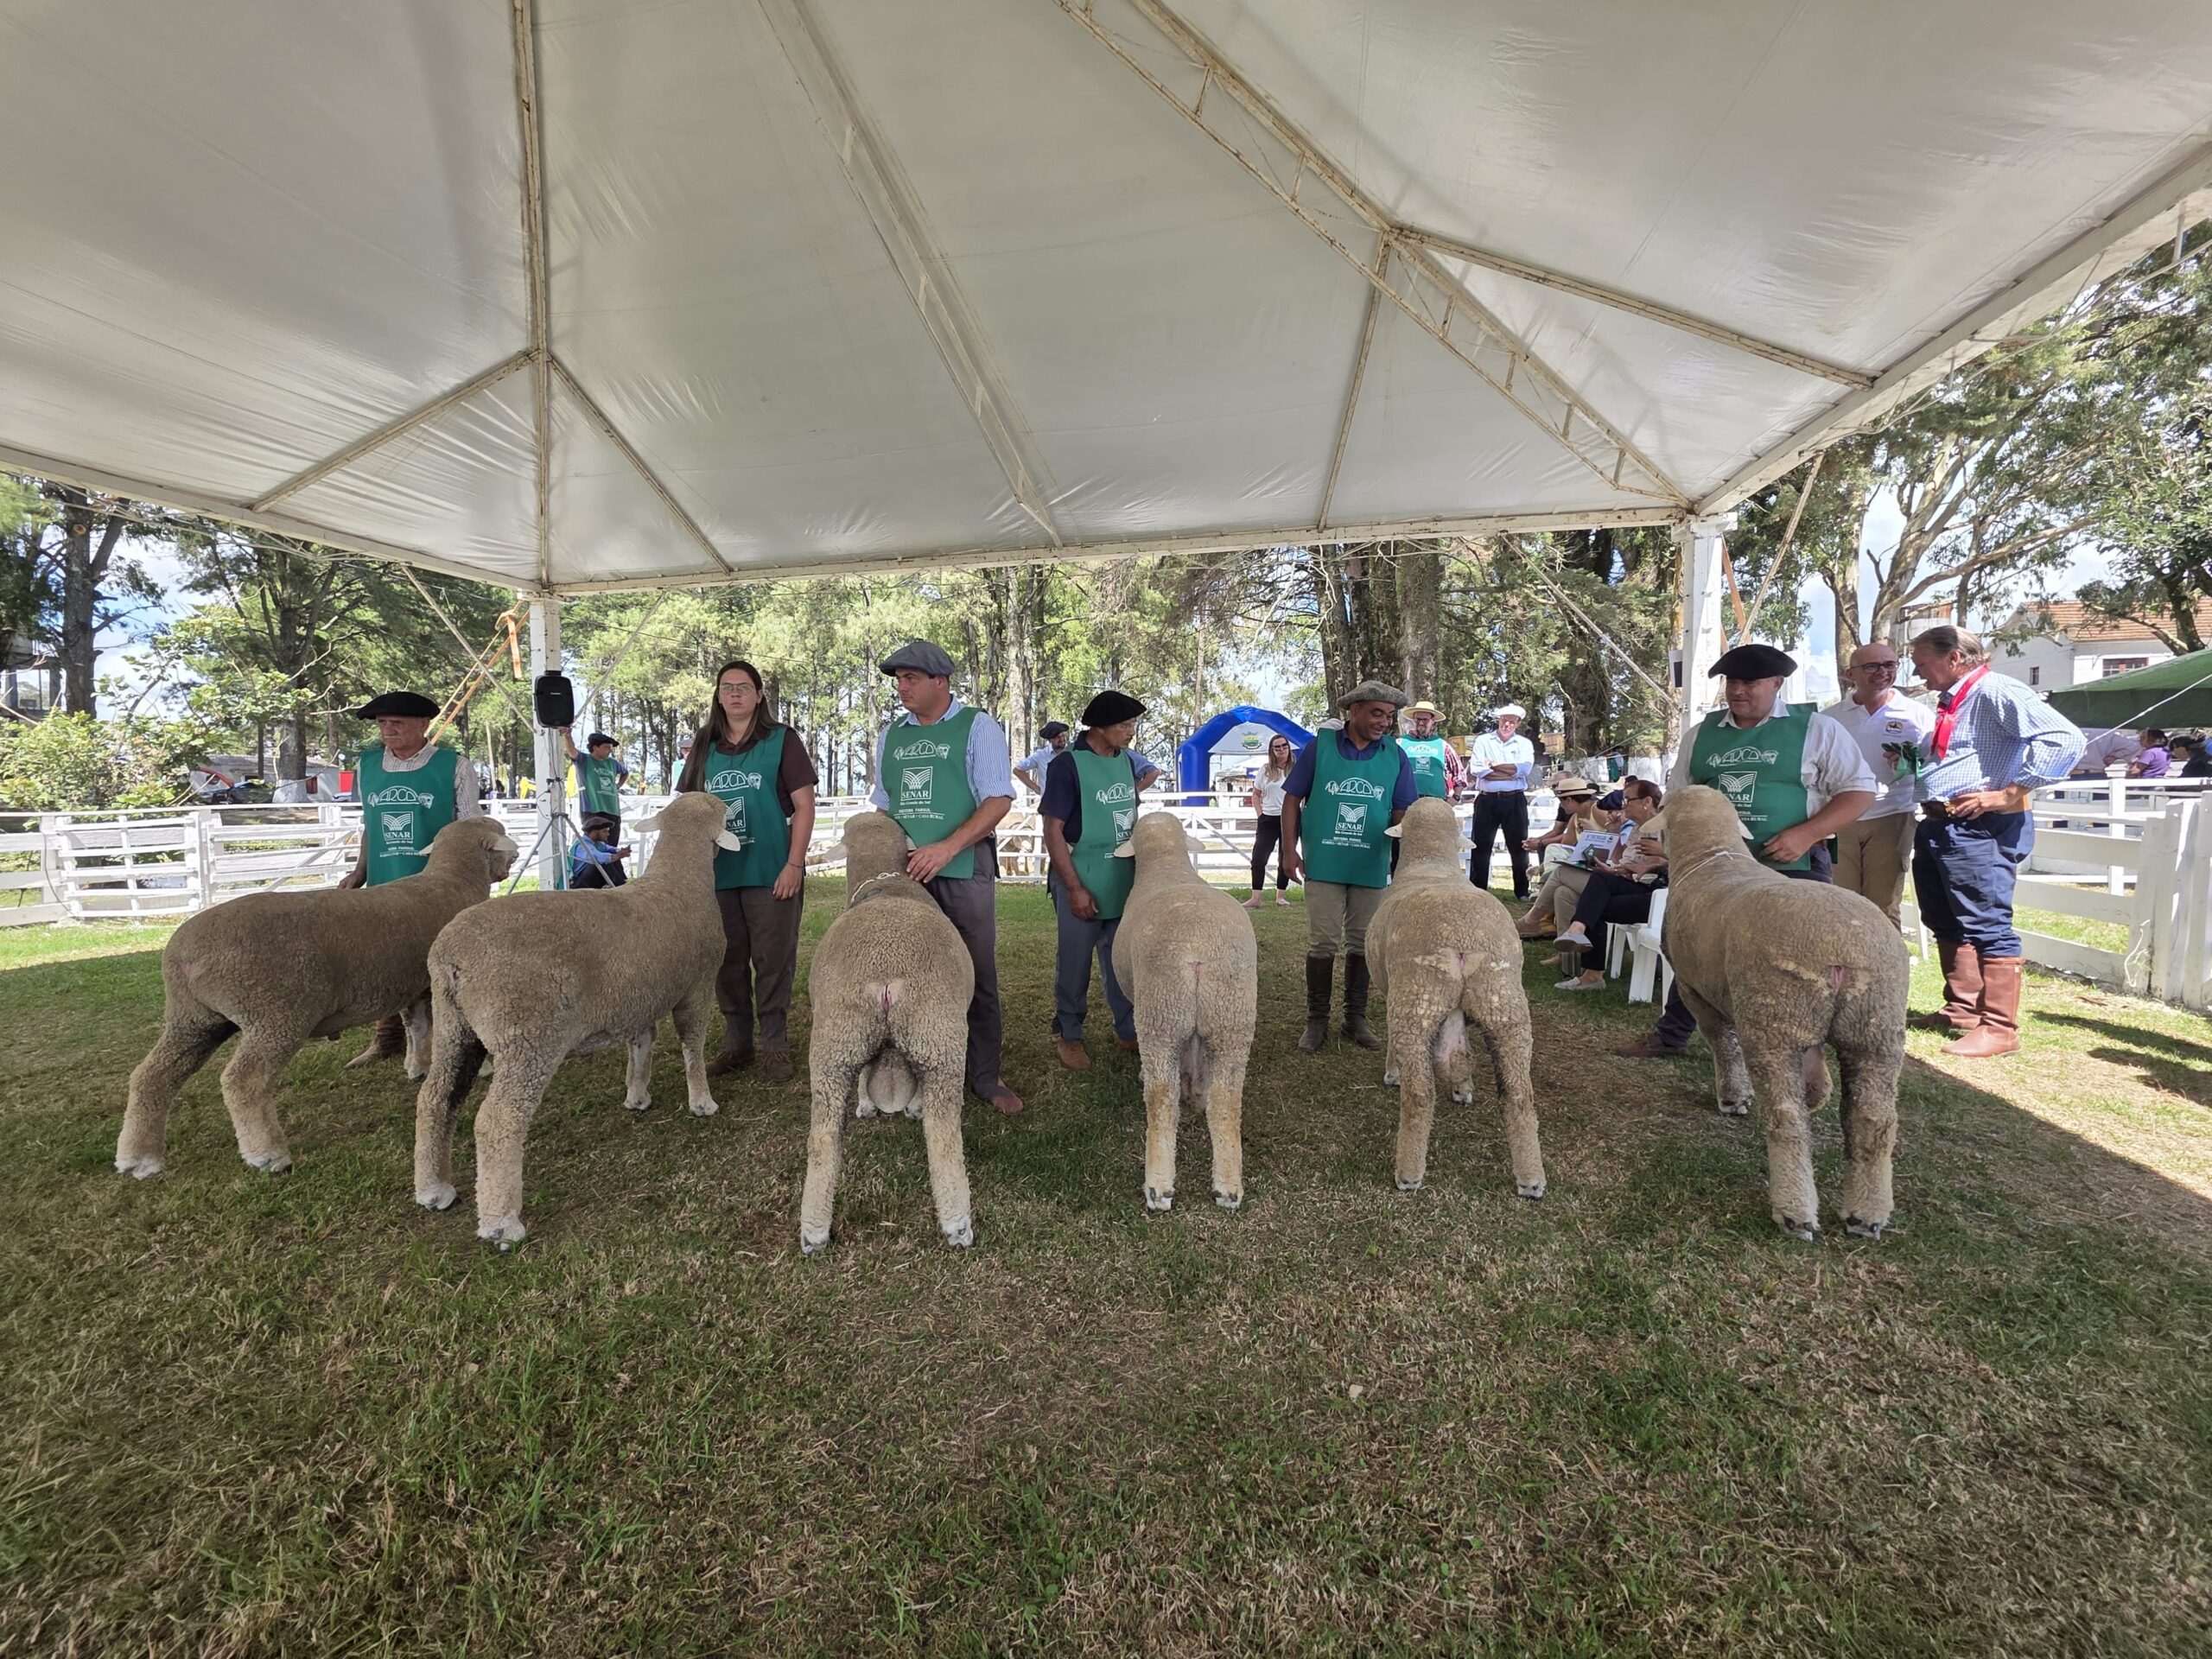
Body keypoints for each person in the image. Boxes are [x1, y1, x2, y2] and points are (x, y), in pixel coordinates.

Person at [1615, 643, 1876, 1060]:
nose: (1737, 690)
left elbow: (1859, 791)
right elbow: (1678, 799)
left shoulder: (1817, 728)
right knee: (1696, 948)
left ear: (1776, 683)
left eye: (1750, 683)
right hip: (1714, 869)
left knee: (1798, 953)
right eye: (1732, 681)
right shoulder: (1701, 735)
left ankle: (1802, 1048)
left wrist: (1806, 834)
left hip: (1792, 862)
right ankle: (1672, 1035)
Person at [1908, 624, 2085, 1058]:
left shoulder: (1997, 691)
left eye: (1922, 663)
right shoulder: (1956, 701)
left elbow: (2065, 738)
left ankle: (2001, 1029)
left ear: (1953, 658)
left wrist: (2008, 793)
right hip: (1941, 823)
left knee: (1987, 923)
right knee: (1944, 917)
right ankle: (1963, 1010)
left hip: (1979, 827)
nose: (1917, 672)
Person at [869, 639, 1023, 1114]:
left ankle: (984, 1074)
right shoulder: (891, 735)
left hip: (962, 868)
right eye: (898, 680)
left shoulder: (977, 726)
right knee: (904, 969)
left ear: (941, 681)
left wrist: (947, 847)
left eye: (911, 679)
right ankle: (914, 1067)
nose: (902, 688)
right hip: (903, 873)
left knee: (974, 971)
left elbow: (998, 799)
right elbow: (884, 806)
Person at [679, 659, 818, 1083]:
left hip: (771, 870)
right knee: (727, 959)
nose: (735, 693)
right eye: (727, 687)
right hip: (717, 875)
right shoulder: (705, 743)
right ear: (718, 696)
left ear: (759, 695)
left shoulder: (782, 740)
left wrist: (794, 864)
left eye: (744, 686)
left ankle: (775, 1044)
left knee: (773, 958)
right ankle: (737, 1043)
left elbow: (804, 806)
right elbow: (688, 808)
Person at [340, 690, 480, 1064]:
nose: (388, 730)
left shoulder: (454, 766)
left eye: (397, 723)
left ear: (423, 724)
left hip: (440, 884)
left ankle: (459, 1036)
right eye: (382, 723)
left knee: (449, 957)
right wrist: (359, 871)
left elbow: (470, 826)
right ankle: (387, 1036)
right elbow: (371, 824)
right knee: (386, 957)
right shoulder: (368, 766)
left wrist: (478, 870)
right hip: (386, 878)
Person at [1281, 680, 1417, 1052]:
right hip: (1324, 860)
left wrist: (1408, 850)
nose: (1384, 722)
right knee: (1323, 940)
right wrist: (1289, 852)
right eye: (1377, 713)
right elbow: (1292, 799)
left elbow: (1402, 810)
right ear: (1354, 711)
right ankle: (1317, 1021)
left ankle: (1355, 1019)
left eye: (1389, 716)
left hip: (1370, 862)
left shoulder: (1395, 755)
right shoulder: (1319, 747)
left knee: (1363, 941)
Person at [1039, 690, 1162, 1070]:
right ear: (1099, 727)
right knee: (1075, 961)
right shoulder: (1067, 765)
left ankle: (1128, 1028)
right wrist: (1074, 888)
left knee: (1122, 957)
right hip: (1079, 873)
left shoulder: (1126, 761)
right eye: (1124, 725)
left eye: (1133, 724)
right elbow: (1053, 831)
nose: (1131, 731)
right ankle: (1069, 1034)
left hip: (1121, 875)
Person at [1822, 641, 1938, 928]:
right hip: (1840, 817)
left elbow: (1934, 766)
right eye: (1871, 666)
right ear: (1850, 674)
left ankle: (1887, 958)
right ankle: (1843, 958)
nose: (1882, 672)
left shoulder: (1918, 714)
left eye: (1889, 665)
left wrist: (1910, 763)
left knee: (1884, 906)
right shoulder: (1829, 719)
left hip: (1893, 815)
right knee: (1841, 905)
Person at [1550, 781, 1668, 990]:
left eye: (1627, 800)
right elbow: (1622, 860)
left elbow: (1688, 861)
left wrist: (1658, 859)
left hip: (1660, 896)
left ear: (1647, 802)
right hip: (1637, 884)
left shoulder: (1667, 828)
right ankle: (1582, 951)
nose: (1623, 806)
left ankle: (1589, 967)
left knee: (1594, 903)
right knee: (1590, 890)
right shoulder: (1637, 829)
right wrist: (1615, 833)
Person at [1512, 775, 1605, 938]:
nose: (1561, 805)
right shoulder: (1575, 818)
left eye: (1561, 801)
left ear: (1569, 800)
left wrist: (1593, 832)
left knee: (1561, 872)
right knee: (1562, 891)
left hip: (1604, 872)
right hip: (1590, 869)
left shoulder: (1597, 810)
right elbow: (1565, 849)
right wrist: (1542, 866)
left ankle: (1532, 920)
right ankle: (1567, 945)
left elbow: (1616, 839)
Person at [1466, 702, 1535, 899]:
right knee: (1480, 845)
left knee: (1519, 845)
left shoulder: (1524, 744)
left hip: (1514, 799)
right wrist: (1510, 772)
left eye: (1511, 722)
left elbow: (1524, 770)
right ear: (1499, 720)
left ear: (1518, 723)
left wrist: (1493, 765)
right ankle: (1478, 890)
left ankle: (1522, 891)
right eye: (1504, 720)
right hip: (1486, 799)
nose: (1507, 725)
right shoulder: (1483, 741)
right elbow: (1478, 770)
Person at [1244, 732, 1298, 908]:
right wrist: (1260, 815)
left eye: (1284, 746)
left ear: (1289, 748)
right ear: (1272, 750)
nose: (1281, 749)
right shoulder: (1265, 770)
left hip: (1290, 820)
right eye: (1277, 747)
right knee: (1258, 858)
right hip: (1268, 819)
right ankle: (1256, 898)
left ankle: (1280, 896)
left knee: (1285, 858)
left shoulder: (1297, 769)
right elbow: (1256, 794)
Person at [562, 728, 631, 830]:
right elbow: (571, 750)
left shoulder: (612, 763)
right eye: (607, 747)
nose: (610, 750)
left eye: (611, 748)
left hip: (613, 810)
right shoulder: (583, 760)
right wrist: (567, 736)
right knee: (594, 839)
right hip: (592, 811)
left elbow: (625, 772)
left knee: (612, 839)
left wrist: (618, 785)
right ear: (595, 748)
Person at [567, 810, 629, 889]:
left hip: (590, 878)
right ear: (594, 832)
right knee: (603, 862)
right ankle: (621, 886)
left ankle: (622, 882)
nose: (608, 834)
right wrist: (617, 856)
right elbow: (597, 857)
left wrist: (620, 851)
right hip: (578, 882)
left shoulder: (598, 843)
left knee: (612, 856)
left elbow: (609, 848)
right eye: (605, 831)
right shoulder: (582, 845)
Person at [1014, 721, 1071, 793]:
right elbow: (1018, 770)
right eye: (1057, 737)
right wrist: (1036, 789)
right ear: (1050, 739)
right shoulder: (1041, 755)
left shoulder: (1072, 753)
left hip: (1070, 799)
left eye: (1063, 735)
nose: (1062, 739)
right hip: (1049, 799)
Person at [2072, 728, 2139, 775]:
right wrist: (2115, 757)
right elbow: (2108, 759)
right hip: (2091, 769)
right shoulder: (2135, 745)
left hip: (2083, 767)